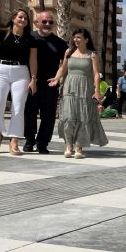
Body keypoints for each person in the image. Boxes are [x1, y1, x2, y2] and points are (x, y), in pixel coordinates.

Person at [48, 29, 108, 158]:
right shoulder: (68, 52)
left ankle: (78, 147)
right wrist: (56, 78)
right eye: (75, 37)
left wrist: (97, 90)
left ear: (86, 40)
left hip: (85, 89)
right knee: (69, 117)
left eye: (79, 37)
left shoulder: (92, 55)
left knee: (82, 118)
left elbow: (96, 74)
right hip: (69, 87)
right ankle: (68, 146)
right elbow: (63, 68)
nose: (76, 40)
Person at [0, 8, 38, 155]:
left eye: (25, 18)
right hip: (0, 70)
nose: (23, 20)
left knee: (18, 107)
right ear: (13, 18)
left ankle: (14, 140)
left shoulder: (30, 39)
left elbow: (33, 60)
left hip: (21, 72)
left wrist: (33, 79)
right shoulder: (2, 34)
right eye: (20, 17)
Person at [23, 11, 67, 154]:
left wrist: (58, 77)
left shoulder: (60, 43)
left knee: (48, 116)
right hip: (31, 82)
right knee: (29, 113)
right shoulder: (29, 38)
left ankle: (43, 143)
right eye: (44, 21)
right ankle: (29, 140)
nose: (47, 24)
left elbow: (65, 64)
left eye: (50, 22)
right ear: (36, 23)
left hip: (50, 85)